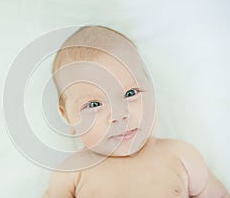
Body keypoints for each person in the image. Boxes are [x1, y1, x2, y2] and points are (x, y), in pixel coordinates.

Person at [42, 25, 229, 198]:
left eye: (130, 93)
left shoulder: (180, 155)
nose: (119, 115)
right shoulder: (71, 173)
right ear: (67, 116)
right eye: (93, 105)